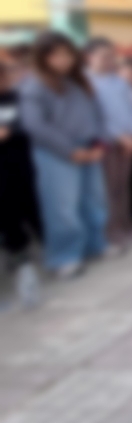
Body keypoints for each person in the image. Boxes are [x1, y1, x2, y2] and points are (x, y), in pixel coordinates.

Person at [20, 32, 108, 277]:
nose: (63, 60)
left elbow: (96, 114)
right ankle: (64, 257)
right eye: (56, 55)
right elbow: (35, 125)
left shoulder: (78, 82)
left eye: (67, 54)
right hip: (56, 152)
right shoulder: (34, 85)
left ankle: (96, 245)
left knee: (94, 201)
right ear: (42, 57)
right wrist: (71, 151)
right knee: (62, 208)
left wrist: (100, 143)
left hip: (90, 147)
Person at [86, 38, 132, 253]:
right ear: (89, 57)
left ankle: (125, 226)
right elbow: (99, 117)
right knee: (108, 190)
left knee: (122, 186)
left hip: (128, 141)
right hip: (106, 142)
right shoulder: (86, 82)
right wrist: (119, 136)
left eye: (111, 56)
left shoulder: (119, 81)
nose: (109, 61)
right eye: (103, 56)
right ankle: (111, 231)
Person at [0, 54, 42, 306]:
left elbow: (29, 124)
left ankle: (46, 248)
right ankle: (19, 254)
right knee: (7, 213)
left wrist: (11, 131)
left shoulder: (18, 98)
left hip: (24, 164)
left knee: (33, 206)